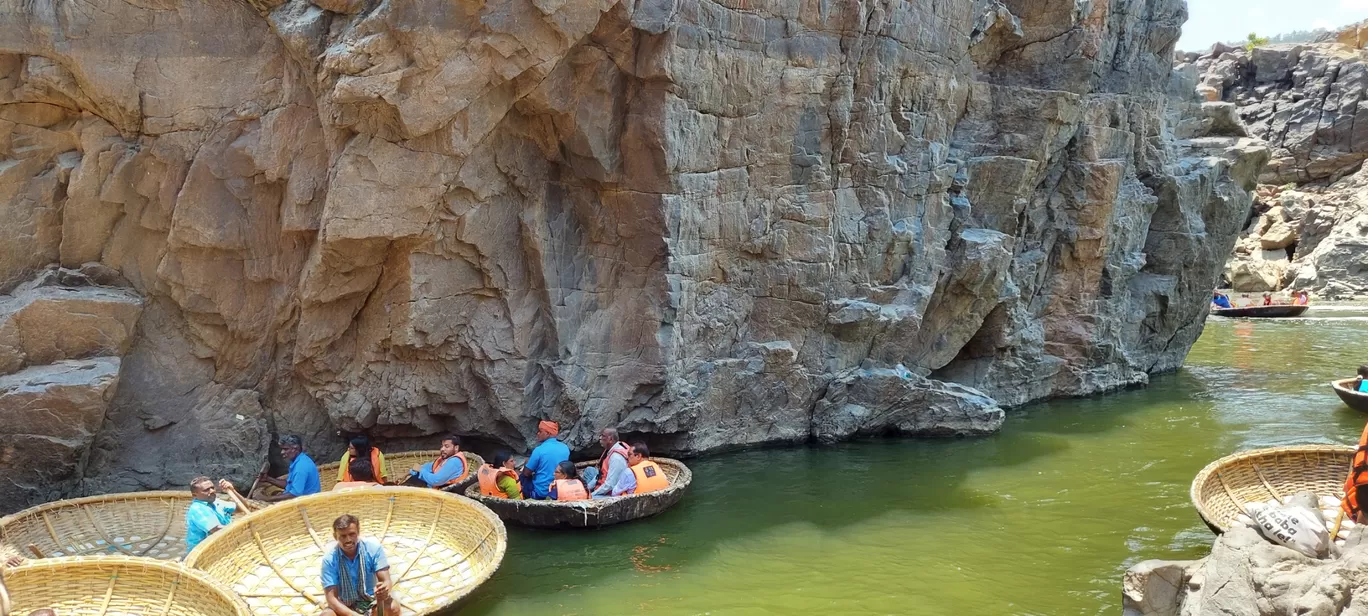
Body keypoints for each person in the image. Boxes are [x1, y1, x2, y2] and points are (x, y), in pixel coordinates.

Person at [321, 515, 400, 616]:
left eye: (352, 534)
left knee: (392, 608)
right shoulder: (329, 560)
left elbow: (386, 581)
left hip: (370, 600)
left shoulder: (373, 549)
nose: (348, 540)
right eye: (343, 536)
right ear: (335, 536)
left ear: (358, 532)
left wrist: (384, 590)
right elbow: (332, 599)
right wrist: (352, 615)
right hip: (344, 604)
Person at [256, 435, 322, 502]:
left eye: (285, 449)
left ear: (295, 449)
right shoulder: (299, 460)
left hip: (306, 502)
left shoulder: (301, 467)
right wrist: (268, 479)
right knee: (275, 493)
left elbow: (295, 495)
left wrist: (267, 499)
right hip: (301, 497)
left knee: (273, 497)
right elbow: (290, 484)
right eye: (282, 449)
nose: (282, 452)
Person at [185, 476, 239, 554]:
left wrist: (232, 491)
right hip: (202, 553)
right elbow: (216, 529)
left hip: (220, 546)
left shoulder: (216, 502)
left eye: (212, 488)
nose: (212, 491)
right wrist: (241, 527)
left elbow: (241, 508)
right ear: (194, 495)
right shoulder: (197, 509)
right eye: (206, 490)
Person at [519, 420, 570, 499]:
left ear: (548, 433)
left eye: (540, 431)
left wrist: (527, 463)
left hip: (541, 493)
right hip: (558, 490)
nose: (538, 433)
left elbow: (526, 473)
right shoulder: (565, 448)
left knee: (523, 477)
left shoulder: (539, 450)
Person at [581, 427, 631, 498]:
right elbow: (600, 474)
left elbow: (610, 485)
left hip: (612, 493)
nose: (600, 438)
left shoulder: (616, 458)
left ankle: (588, 495)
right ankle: (585, 491)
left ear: (611, 439)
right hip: (604, 480)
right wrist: (587, 488)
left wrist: (592, 495)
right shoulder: (611, 449)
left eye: (603, 436)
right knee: (589, 470)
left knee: (591, 498)